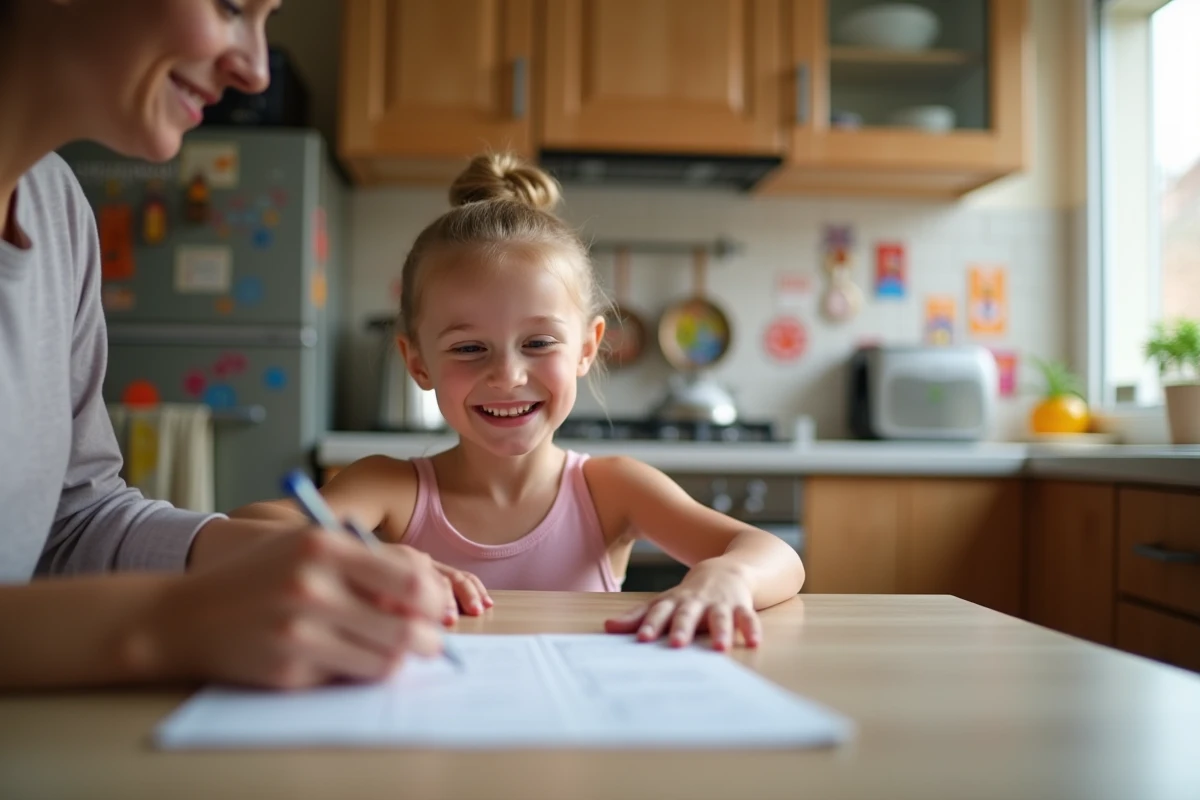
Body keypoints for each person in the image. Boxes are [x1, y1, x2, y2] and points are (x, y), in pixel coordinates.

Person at [0, 0, 449, 691]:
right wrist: (171, 621)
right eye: (233, 6)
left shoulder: (57, 207)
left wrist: (284, 556)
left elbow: (71, 522)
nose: (256, 70)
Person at [232, 153, 806, 652]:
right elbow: (244, 531)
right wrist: (362, 560)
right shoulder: (391, 489)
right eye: (469, 348)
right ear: (418, 363)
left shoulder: (612, 490)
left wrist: (727, 577)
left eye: (537, 343)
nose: (507, 375)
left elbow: (775, 554)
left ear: (587, 348)